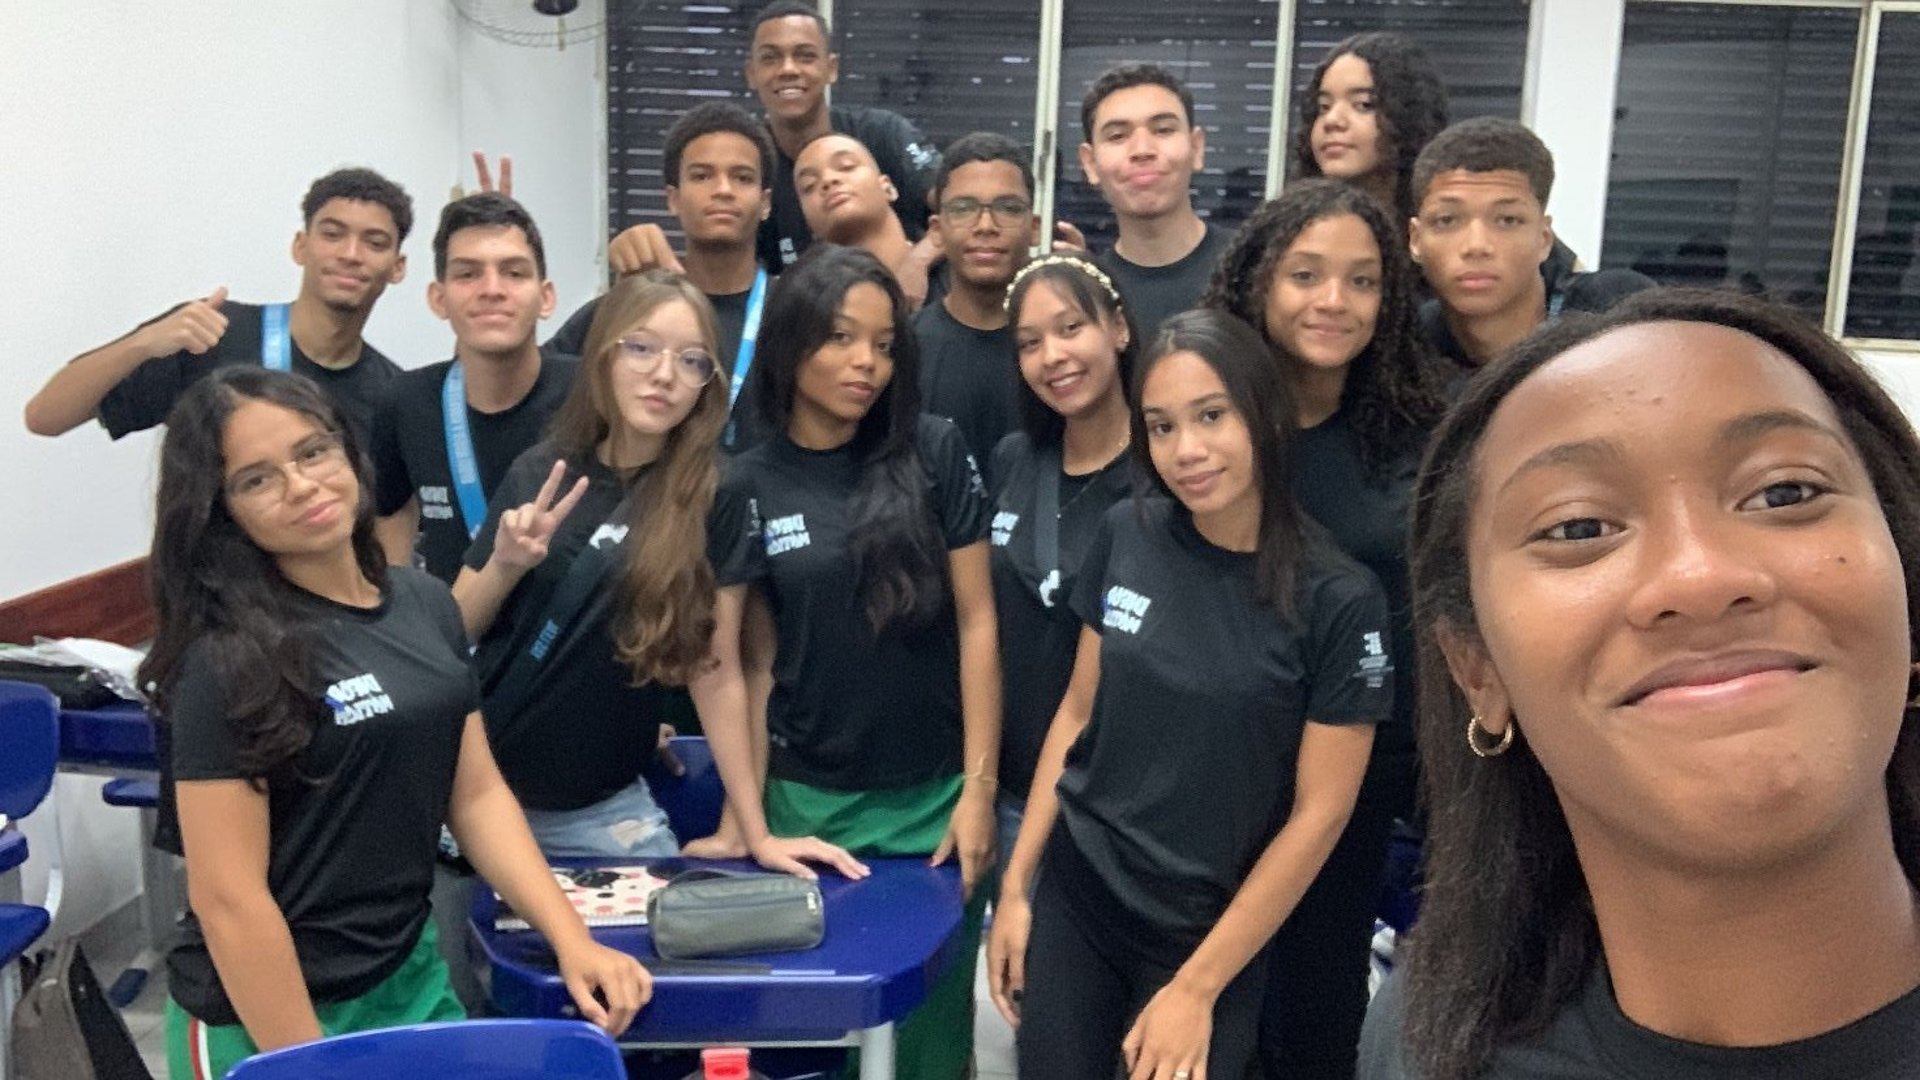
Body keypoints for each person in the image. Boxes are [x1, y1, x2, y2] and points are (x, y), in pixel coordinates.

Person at [1360, 288, 1920, 1079]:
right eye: (1579, 527)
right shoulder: (1435, 1040)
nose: (1700, 575)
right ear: (1476, 669)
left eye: (1785, 491)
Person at [142, 367, 647, 1080]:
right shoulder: (227, 660)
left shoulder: (424, 604)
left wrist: (573, 939)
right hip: (264, 1012)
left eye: (313, 451)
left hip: (405, 980)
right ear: (221, 510)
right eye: (257, 479)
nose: (301, 485)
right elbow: (230, 901)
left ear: (348, 451)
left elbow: (474, 796)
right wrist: (307, 1064)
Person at [988, 309, 1392, 1080]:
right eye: (1163, 427)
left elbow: (1321, 814)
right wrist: (1017, 888)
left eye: (1211, 416)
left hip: (1207, 932)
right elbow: (1077, 713)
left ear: (1263, 413)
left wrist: (1198, 987)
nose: (1188, 451)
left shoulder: (1340, 597)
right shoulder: (1126, 533)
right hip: (1080, 895)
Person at [449, 271, 852, 876]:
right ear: (604, 355)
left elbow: (715, 670)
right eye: (641, 348)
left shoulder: (715, 493)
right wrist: (505, 563)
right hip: (475, 801)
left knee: (654, 958)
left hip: (602, 812)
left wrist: (754, 829)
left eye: (691, 361)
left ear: (707, 386)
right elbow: (451, 633)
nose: (663, 375)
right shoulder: (544, 469)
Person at [727, 244, 998, 1079]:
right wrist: (753, 820)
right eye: (842, 339)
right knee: (814, 1041)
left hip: (937, 808)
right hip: (810, 809)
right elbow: (743, 666)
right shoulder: (744, 480)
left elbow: (979, 622)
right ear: (790, 343)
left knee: (929, 1046)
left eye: (883, 344)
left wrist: (979, 791)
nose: (866, 364)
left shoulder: (934, 450)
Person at [1203, 178, 1450, 1079]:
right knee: (1206, 993)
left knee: (1317, 999)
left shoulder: (1423, 428)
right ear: (1261, 282)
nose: (1334, 303)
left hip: (1362, 765)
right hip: (1224, 755)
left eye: (1363, 280)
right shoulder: (1211, 422)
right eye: (1307, 275)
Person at [24, 168, 414, 444]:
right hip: (201, 564)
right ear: (301, 246)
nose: (350, 254)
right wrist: (141, 344)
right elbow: (44, 418)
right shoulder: (210, 332)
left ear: (397, 268)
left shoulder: (393, 393)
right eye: (332, 234)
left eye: (375, 243)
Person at [987, 252, 1138, 885]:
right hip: (1009, 792)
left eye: (1071, 328)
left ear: (1119, 330)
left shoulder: (1166, 476)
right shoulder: (1013, 458)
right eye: (1030, 343)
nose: (1052, 356)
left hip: (1111, 808)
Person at [371, 192, 575, 583]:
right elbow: (391, 534)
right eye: (467, 274)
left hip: (573, 639)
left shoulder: (593, 394)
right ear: (439, 298)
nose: (492, 289)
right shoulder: (405, 402)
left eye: (514, 273)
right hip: (455, 637)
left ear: (546, 297)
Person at [545, 102, 776, 393]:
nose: (723, 190)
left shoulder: (792, 311)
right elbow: (531, 383)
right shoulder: (634, 299)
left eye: (742, 177)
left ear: (765, 202)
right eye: (702, 176)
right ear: (673, 199)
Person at [1410, 117, 1655, 369]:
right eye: (1447, 220)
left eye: (1507, 220)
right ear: (1415, 240)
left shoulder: (1614, 311)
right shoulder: (1407, 347)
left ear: (1544, 239)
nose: (1476, 246)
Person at [743, 0, 941, 279]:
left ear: (831, 68)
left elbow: (966, 204)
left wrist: (917, 262)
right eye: (770, 58)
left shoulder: (882, 133)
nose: (787, 69)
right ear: (751, 74)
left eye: (805, 56)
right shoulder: (750, 167)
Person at [914, 131, 1041, 490]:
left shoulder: (1062, 355)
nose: (986, 226)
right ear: (937, 230)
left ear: (1034, 228)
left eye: (1008, 208)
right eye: (964, 209)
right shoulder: (903, 350)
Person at [1081, 64, 1233, 339]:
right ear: (1090, 163)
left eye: (1163, 130)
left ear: (1196, 148)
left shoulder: (1252, 269)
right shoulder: (1088, 297)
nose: (1142, 150)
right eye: (1117, 136)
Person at [1291, 32, 1449, 228]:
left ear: (1407, 118)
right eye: (1323, 107)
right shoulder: (1289, 236)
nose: (1331, 120)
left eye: (1363, 105)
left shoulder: (1442, 234)